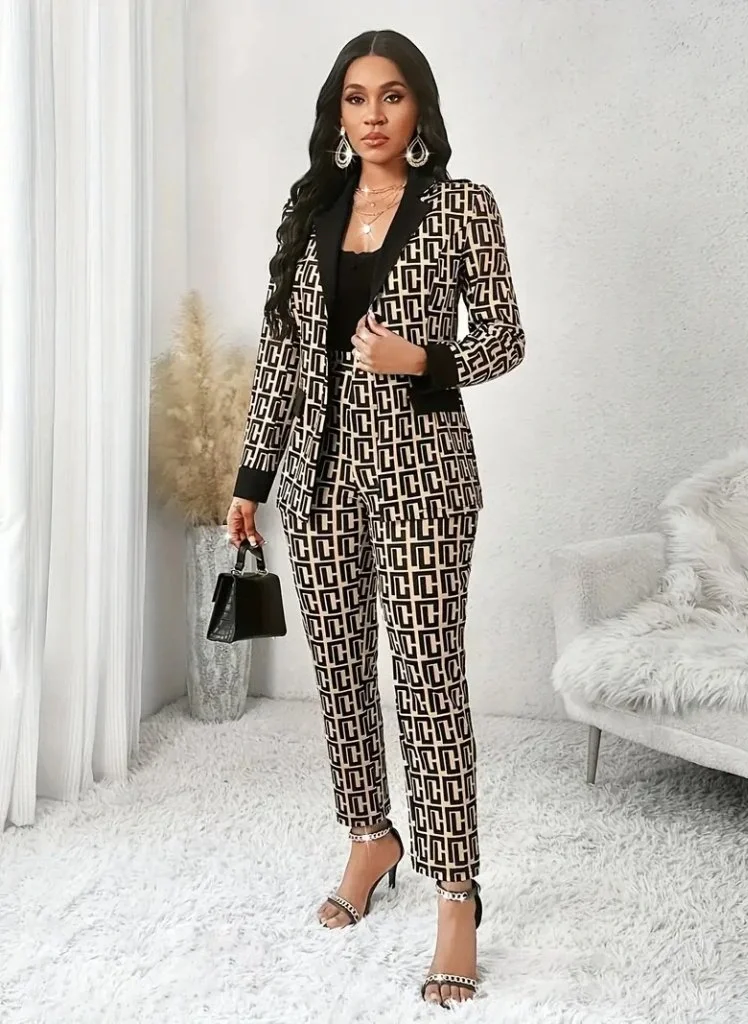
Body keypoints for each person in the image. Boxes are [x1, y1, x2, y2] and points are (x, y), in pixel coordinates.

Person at [226, 28, 525, 1008]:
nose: (372, 115)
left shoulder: (460, 206)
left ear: (419, 107)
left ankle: (455, 891)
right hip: (317, 482)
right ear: (337, 113)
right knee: (341, 670)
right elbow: (281, 356)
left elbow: (505, 338)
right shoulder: (310, 208)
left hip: (423, 480)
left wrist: (424, 360)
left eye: (391, 96)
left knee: (429, 680)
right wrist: (251, 478)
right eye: (355, 98)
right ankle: (369, 837)